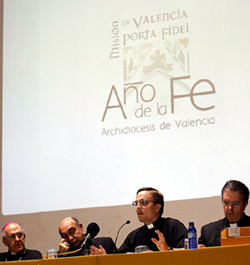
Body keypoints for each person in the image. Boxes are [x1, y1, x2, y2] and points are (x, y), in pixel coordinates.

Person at [91, 187, 188, 254]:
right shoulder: (134, 236)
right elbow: (120, 258)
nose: (138, 207)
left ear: (157, 207)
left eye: (143, 202)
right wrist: (106, 258)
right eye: (136, 203)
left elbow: (188, 251)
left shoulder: (173, 226)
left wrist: (168, 251)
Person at [198, 180, 250, 247]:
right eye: (226, 203)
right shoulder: (208, 232)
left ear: (245, 205)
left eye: (235, 204)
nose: (230, 208)